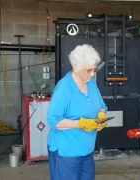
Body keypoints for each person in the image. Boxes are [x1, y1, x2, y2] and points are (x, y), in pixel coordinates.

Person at [47, 44, 108, 180]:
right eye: (89, 70)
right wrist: (81, 124)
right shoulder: (64, 89)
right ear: (76, 67)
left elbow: (102, 105)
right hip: (67, 152)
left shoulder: (91, 83)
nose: (92, 74)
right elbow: (53, 120)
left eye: (94, 70)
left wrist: (102, 115)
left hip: (87, 150)